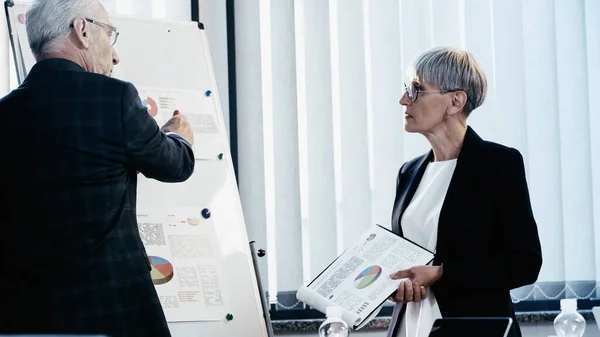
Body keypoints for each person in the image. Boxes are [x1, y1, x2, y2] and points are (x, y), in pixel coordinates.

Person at [0, 0, 194, 336]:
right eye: (110, 34)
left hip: (26, 313)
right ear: (83, 29)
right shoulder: (114, 99)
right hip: (113, 308)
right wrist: (179, 138)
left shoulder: (5, 112)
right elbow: (175, 165)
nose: (115, 55)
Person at [385, 47, 542, 337]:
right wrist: (395, 286)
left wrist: (441, 274)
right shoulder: (408, 172)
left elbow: (525, 263)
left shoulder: (499, 164)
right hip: (410, 326)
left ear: (455, 101)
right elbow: (402, 256)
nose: (403, 99)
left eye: (416, 89)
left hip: (473, 328)